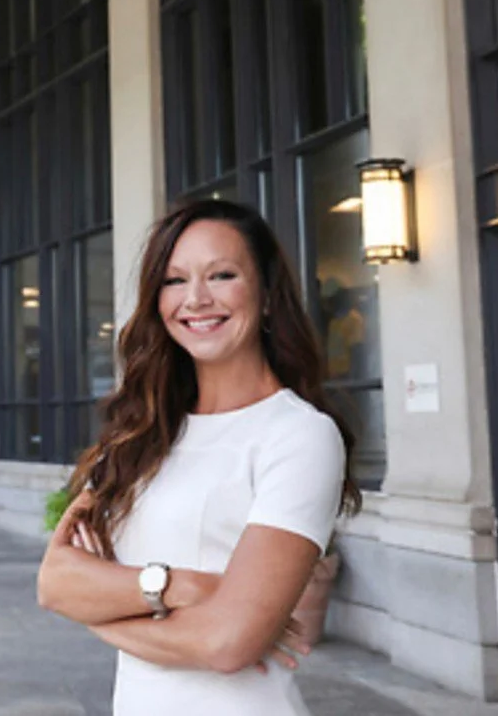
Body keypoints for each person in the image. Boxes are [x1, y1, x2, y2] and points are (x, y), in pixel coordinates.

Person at [37, 198, 361, 716]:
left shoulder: (298, 436)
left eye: (222, 275)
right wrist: (179, 586)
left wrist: (97, 614)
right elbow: (55, 582)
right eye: (174, 280)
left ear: (267, 294)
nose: (196, 299)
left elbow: (227, 644)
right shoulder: (140, 434)